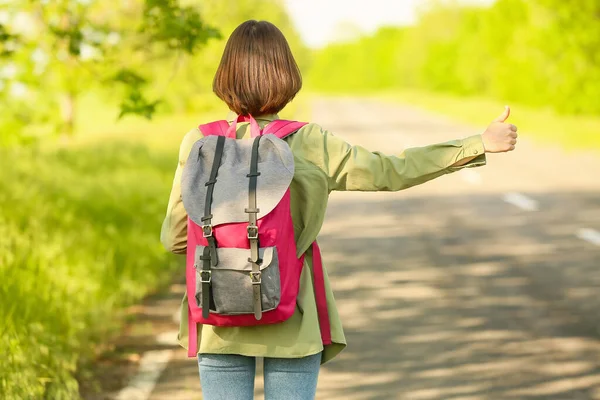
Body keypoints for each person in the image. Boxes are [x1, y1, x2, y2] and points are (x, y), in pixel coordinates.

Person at [160, 19, 518, 400]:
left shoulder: (198, 142)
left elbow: (175, 237)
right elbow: (389, 171)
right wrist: (477, 143)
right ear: (286, 76)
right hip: (292, 316)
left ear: (225, 77)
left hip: (218, 316)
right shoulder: (310, 141)